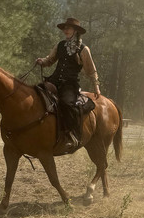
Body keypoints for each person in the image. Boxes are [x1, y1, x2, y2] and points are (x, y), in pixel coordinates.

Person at [35, 17, 101, 150]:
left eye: (68, 28)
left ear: (75, 31)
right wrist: (42, 61)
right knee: (37, 93)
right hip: (54, 81)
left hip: (70, 84)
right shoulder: (60, 45)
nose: (66, 30)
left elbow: (91, 70)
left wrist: (96, 87)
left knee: (66, 103)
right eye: (65, 28)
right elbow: (50, 60)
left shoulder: (83, 49)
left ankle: (71, 135)